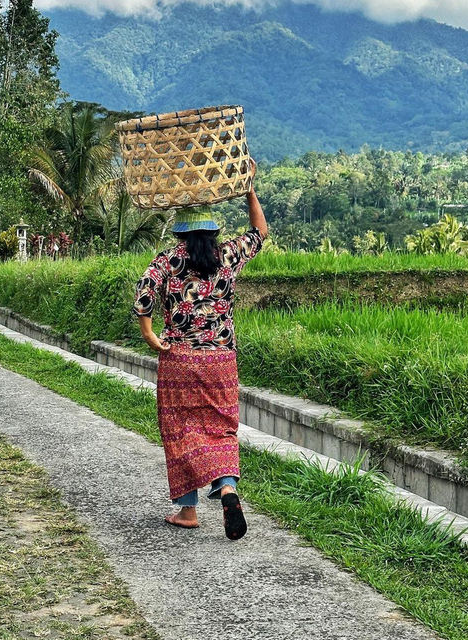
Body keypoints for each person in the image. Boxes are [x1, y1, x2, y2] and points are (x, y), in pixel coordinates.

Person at [131, 159, 268, 540]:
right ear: (212, 230)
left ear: (181, 232)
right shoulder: (227, 256)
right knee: (222, 429)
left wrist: (149, 334)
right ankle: (227, 488)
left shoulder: (170, 259)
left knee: (180, 430)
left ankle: (189, 511)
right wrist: (248, 187)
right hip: (221, 359)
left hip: (179, 361)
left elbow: (145, 291)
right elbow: (260, 230)